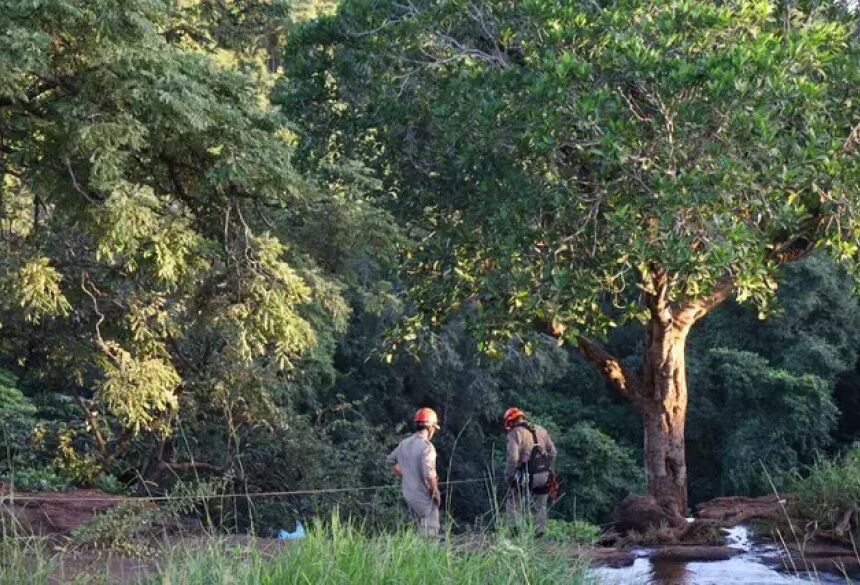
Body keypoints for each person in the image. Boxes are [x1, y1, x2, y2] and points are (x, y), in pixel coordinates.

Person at [387, 407, 442, 537]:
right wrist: (436, 491)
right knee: (430, 531)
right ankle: (428, 554)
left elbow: (391, 461)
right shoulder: (427, 447)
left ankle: (416, 553)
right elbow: (429, 473)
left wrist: (406, 475)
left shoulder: (404, 443)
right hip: (422, 496)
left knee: (415, 529)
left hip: (408, 494)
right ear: (430, 428)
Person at [503, 406, 557, 537]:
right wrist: (546, 467)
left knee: (513, 500)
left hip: (526, 475)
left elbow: (513, 458)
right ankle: (540, 531)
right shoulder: (541, 430)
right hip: (544, 475)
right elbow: (553, 452)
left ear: (510, 422)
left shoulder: (514, 433)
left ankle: (515, 531)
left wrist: (510, 476)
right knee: (540, 505)